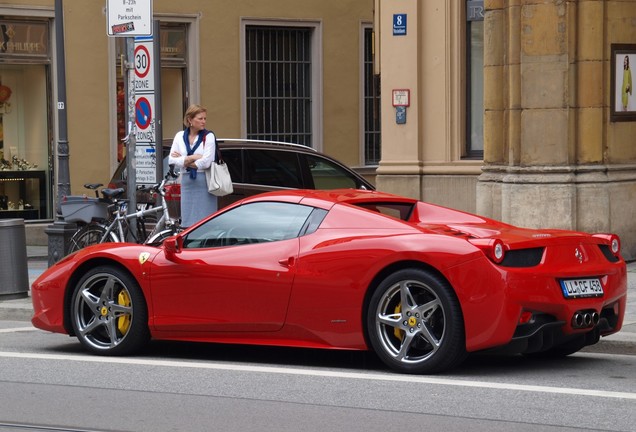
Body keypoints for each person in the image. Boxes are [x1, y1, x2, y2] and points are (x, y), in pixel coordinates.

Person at [168, 104, 217, 228]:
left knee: (205, 222)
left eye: (205, 118)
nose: (203, 121)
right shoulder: (179, 136)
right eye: (200, 119)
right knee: (188, 222)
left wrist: (183, 160)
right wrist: (194, 157)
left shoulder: (208, 136)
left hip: (204, 182)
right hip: (187, 182)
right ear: (190, 120)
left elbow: (206, 162)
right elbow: (171, 160)